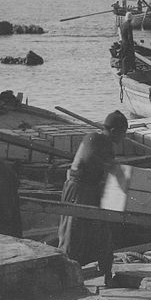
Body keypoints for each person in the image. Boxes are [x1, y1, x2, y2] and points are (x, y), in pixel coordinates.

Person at [58, 110, 129, 286]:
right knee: (72, 235)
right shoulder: (96, 140)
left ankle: (106, 273)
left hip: (93, 189)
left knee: (103, 232)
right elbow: (112, 169)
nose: (123, 137)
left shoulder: (103, 143)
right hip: (78, 190)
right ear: (113, 131)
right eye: (123, 133)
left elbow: (108, 171)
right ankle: (64, 277)